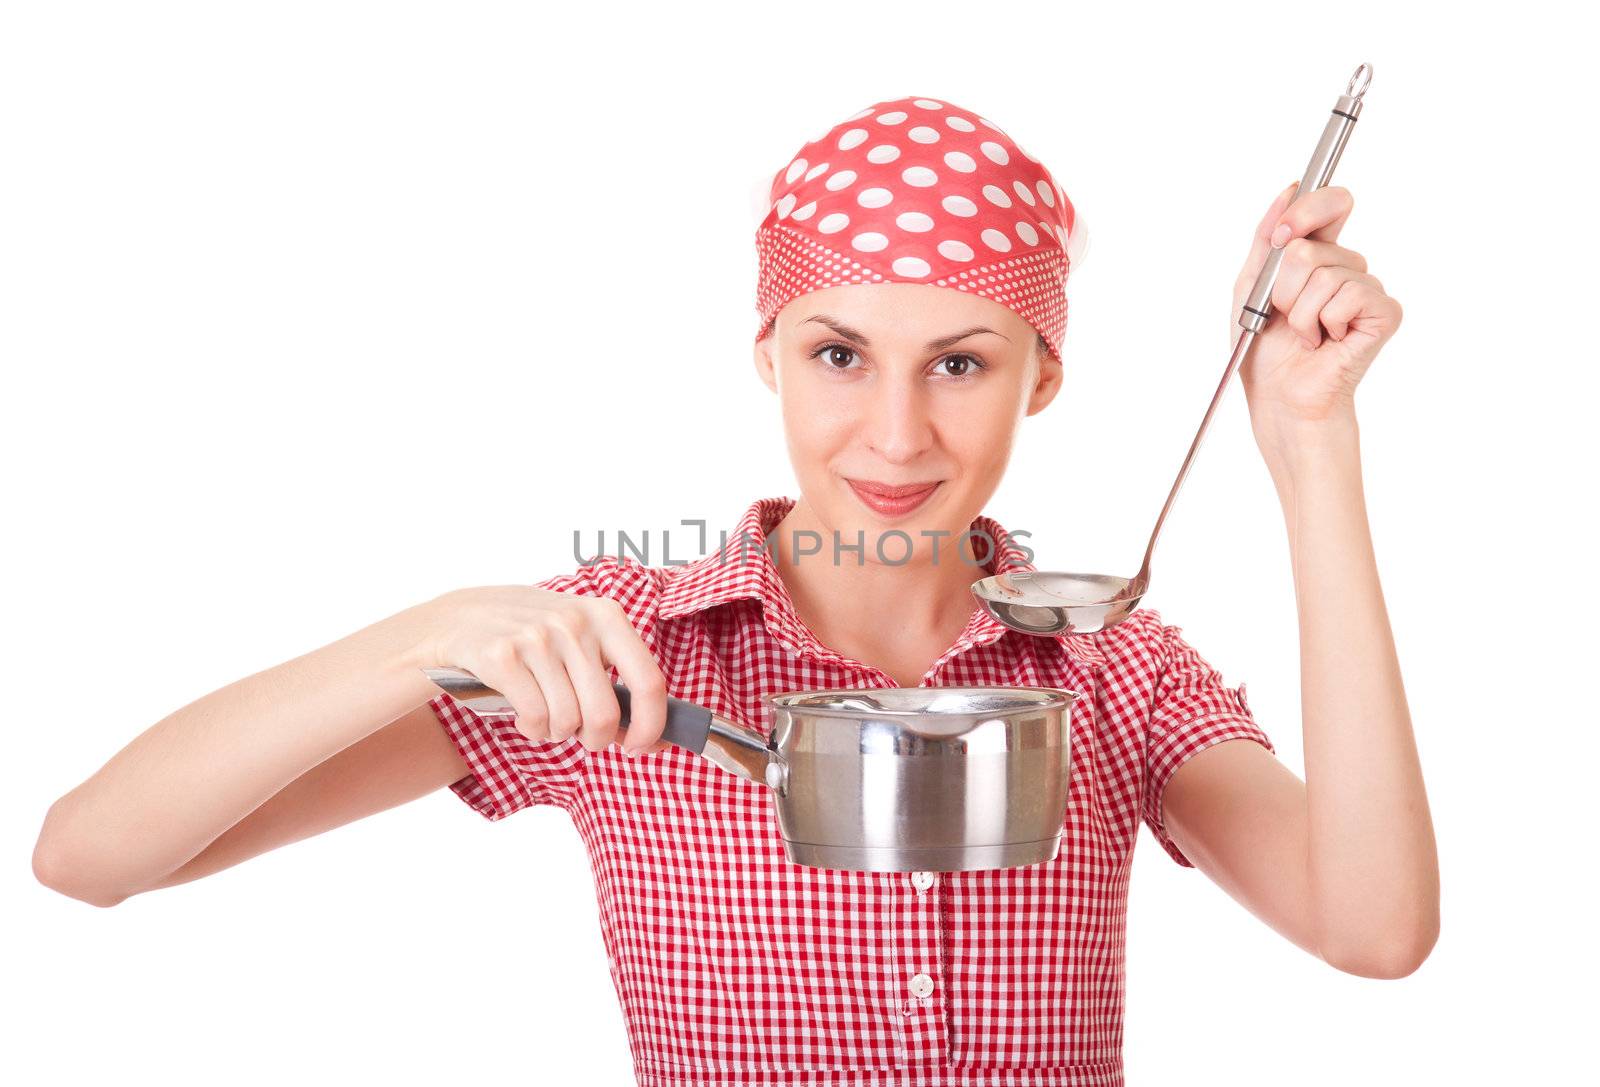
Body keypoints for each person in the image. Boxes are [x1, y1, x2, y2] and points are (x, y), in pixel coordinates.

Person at [33, 94, 1437, 1085]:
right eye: (840, 355)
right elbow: (92, 858)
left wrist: (1308, 445)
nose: (894, 435)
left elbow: (1373, 930)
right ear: (767, 351)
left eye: (960, 362)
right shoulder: (616, 657)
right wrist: (428, 635)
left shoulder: (1112, 673)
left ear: (1042, 377)